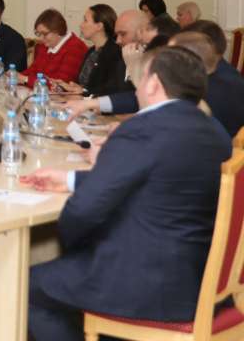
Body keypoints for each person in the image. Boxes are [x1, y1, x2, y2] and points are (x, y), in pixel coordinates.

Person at [22, 46, 231, 341]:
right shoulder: (214, 133)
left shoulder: (141, 129)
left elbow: (82, 211)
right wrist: (71, 179)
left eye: (140, 78)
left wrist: (75, 247)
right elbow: (164, 183)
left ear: (153, 83)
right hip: (199, 279)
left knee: (26, 288)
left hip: (141, 285)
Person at [80, 26, 244, 138]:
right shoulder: (205, 73)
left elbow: (171, 121)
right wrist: (94, 103)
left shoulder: (222, 85)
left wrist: (129, 130)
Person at [69, 4, 128, 97]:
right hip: (84, 102)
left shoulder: (115, 53)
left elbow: (111, 89)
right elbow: (83, 85)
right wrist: (68, 87)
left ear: (99, 26)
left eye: (85, 20)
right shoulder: (91, 51)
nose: (81, 25)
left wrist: (84, 91)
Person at [29, 8, 87, 83]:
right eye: (38, 33)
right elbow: (32, 70)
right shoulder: (45, 45)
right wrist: (17, 76)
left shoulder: (75, 48)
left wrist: (26, 79)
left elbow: (60, 84)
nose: (41, 38)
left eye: (45, 34)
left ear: (58, 31)